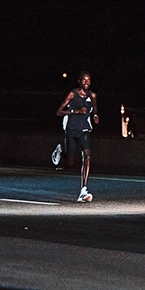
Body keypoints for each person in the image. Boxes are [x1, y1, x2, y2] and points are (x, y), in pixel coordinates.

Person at [55, 71, 99, 202]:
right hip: (71, 129)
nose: (87, 83)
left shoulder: (93, 95)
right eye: (84, 80)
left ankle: (83, 190)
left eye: (89, 80)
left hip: (84, 129)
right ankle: (61, 152)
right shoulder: (72, 94)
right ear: (79, 81)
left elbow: (95, 108)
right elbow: (58, 112)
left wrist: (96, 116)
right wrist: (75, 111)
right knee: (70, 161)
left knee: (87, 155)